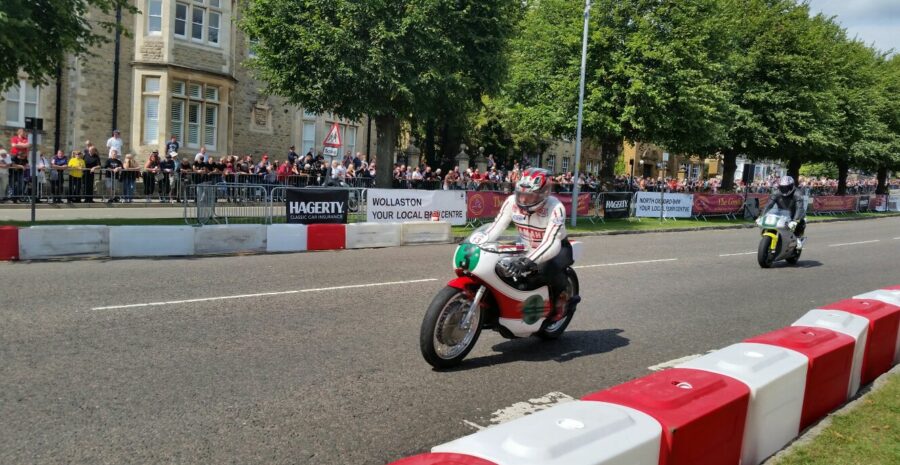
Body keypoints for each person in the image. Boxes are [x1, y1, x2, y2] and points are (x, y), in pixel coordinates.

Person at [474, 168, 580, 320]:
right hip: (526, 246)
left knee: (544, 269)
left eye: (529, 196)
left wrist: (528, 261)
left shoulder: (556, 208)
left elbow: (551, 242)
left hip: (556, 248)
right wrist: (478, 241)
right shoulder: (511, 202)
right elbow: (496, 227)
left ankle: (561, 299)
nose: (523, 200)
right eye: (520, 194)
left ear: (543, 194)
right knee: (502, 267)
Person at [761, 175, 806, 249]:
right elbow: (769, 205)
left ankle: (798, 238)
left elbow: (799, 208)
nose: (785, 189)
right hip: (782, 214)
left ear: (791, 186)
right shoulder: (776, 193)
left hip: (795, 214)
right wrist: (762, 216)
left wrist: (795, 221)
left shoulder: (798, 193)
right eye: (783, 187)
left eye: (787, 187)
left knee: (800, 222)